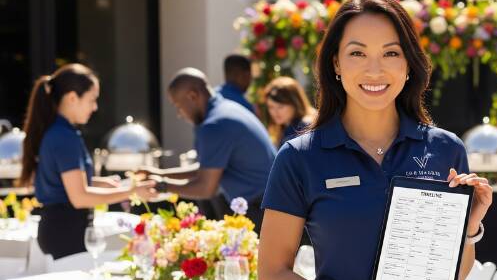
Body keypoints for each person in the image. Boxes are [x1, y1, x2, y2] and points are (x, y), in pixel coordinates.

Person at [257, 0, 493, 280]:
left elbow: (453, 276)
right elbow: (272, 279)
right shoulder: (300, 158)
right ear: (335, 63)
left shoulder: (445, 149)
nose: (374, 69)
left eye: (390, 53)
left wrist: (469, 228)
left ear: (408, 65)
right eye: (357, 53)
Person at [18, 64, 157, 259]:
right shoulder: (64, 136)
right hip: (65, 233)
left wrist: (101, 183)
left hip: (60, 229)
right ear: (72, 98)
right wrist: (132, 191)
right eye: (92, 100)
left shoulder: (59, 131)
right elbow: (79, 197)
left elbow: (65, 183)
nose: (95, 107)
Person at [142, 68, 275, 228]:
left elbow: (206, 188)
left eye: (178, 106)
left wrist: (162, 186)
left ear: (193, 96)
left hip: (262, 209)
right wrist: (159, 174)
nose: (179, 114)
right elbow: (206, 169)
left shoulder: (214, 125)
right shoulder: (225, 109)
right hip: (270, 204)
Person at [260, 76, 316, 148]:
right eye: (271, 107)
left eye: (280, 106)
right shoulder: (283, 128)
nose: (275, 112)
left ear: (295, 103)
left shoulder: (305, 127)